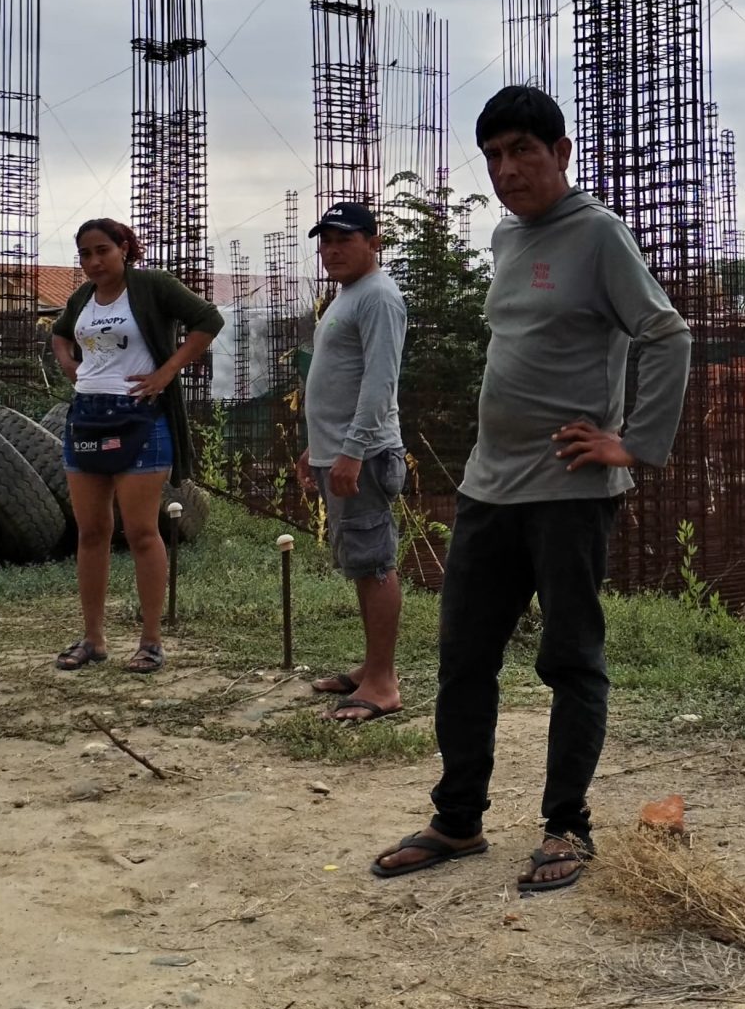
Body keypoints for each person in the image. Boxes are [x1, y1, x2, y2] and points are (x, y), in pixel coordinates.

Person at [371, 84, 691, 897]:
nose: (507, 170)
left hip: (569, 490)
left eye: (522, 151)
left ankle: (566, 824)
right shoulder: (508, 238)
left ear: (561, 153)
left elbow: (666, 332)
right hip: (489, 486)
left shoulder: (598, 234)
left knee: (570, 658)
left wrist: (635, 443)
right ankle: (459, 819)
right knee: (464, 658)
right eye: (493, 156)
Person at [47, 218, 223, 676]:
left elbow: (209, 319)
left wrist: (167, 372)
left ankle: (150, 642)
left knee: (143, 532)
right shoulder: (82, 297)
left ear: (124, 248)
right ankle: (93, 639)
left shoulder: (151, 285)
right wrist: (71, 366)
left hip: (141, 417)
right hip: (86, 416)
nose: (93, 262)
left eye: (102, 250)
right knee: (91, 532)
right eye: (85, 254)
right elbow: (60, 333)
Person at [296, 200, 410, 723]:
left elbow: (380, 382)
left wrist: (352, 451)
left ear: (374, 242)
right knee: (361, 564)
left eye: (345, 239)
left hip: (362, 453)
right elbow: (338, 379)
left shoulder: (380, 297)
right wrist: (317, 448)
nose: (332, 250)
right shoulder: (347, 296)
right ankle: (371, 667)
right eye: (326, 241)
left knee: (376, 563)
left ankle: (383, 684)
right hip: (340, 451)